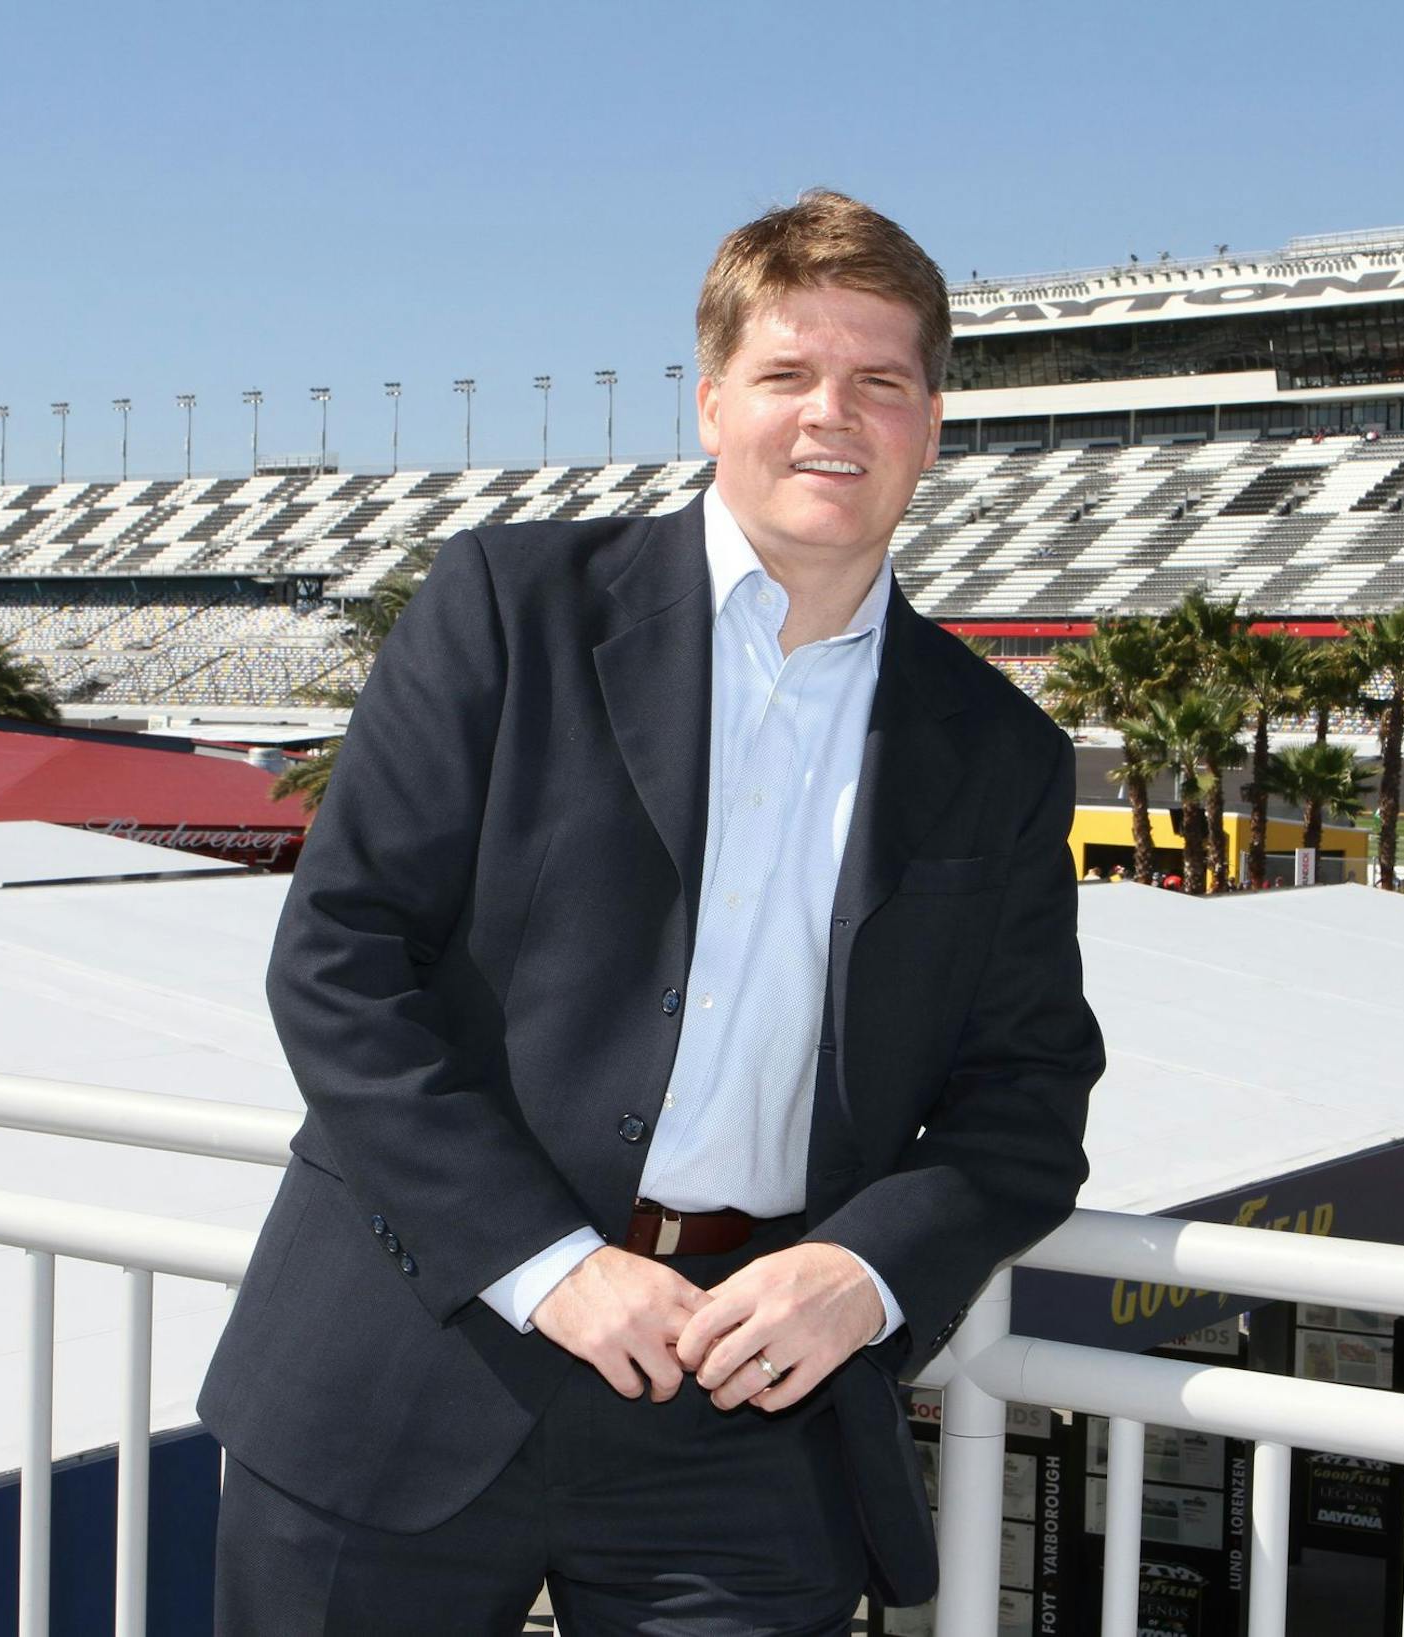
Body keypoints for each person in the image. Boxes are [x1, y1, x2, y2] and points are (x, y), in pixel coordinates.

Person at [197, 190, 1106, 1633]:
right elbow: (340, 965)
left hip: (743, 1408)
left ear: (932, 423)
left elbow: (1028, 1091)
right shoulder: (508, 605)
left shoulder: (997, 751)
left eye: (880, 381)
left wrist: (865, 1274)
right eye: (788, 375)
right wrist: (548, 1267)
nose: (833, 417)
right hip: (416, 1351)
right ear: (708, 404)